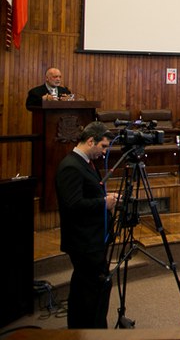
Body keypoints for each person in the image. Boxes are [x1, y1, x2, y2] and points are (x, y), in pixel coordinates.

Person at [55, 121, 119, 329]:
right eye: (103, 146)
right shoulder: (71, 166)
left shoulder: (84, 163)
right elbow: (73, 205)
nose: (104, 152)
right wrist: (104, 202)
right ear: (91, 141)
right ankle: (92, 331)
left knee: (87, 288)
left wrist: (104, 198)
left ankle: (82, 328)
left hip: (92, 238)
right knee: (92, 289)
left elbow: (87, 194)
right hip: (83, 241)